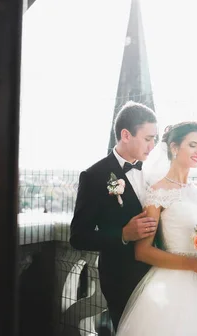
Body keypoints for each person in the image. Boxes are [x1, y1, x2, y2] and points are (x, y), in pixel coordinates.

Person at [116, 121, 197, 336]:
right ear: (174, 148)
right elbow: (142, 251)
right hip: (172, 286)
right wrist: (193, 264)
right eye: (193, 145)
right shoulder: (157, 193)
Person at [69, 101, 160, 331]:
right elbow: (78, 236)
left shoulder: (155, 172)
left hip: (159, 274)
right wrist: (123, 234)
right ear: (126, 135)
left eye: (155, 139)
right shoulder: (94, 176)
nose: (152, 145)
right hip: (122, 280)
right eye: (148, 138)